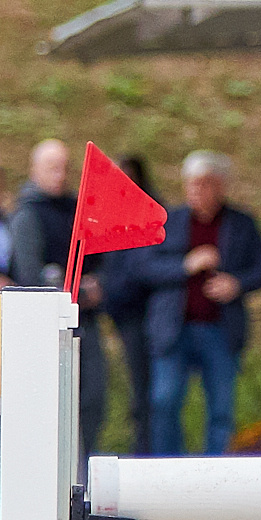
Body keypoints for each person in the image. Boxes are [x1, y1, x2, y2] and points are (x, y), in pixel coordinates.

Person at [142, 152, 261, 456]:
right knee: (164, 401)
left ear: (220, 186)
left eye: (204, 184)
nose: (196, 192)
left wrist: (236, 284)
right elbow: (144, 268)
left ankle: (216, 474)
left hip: (220, 328)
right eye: (191, 184)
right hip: (173, 329)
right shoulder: (169, 222)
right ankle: (167, 469)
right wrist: (185, 266)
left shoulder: (241, 224)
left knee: (221, 409)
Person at [8, 140, 107, 463]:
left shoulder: (77, 212)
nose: (60, 175)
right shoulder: (28, 215)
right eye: (52, 168)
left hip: (84, 320)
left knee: (92, 398)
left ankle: (82, 466)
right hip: (49, 328)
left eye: (65, 168)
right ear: (34, 170)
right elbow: (29, 273)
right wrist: (67, 285)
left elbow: (99, 260)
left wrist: (96, 285)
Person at [101, 155, 161, 454]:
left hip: (148, 312)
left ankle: (149, 449)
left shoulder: (149, 214)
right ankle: (143, 447)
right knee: (141, 389)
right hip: (126, 313)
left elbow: (140, 268)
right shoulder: (111, 213)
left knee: (151, 392)